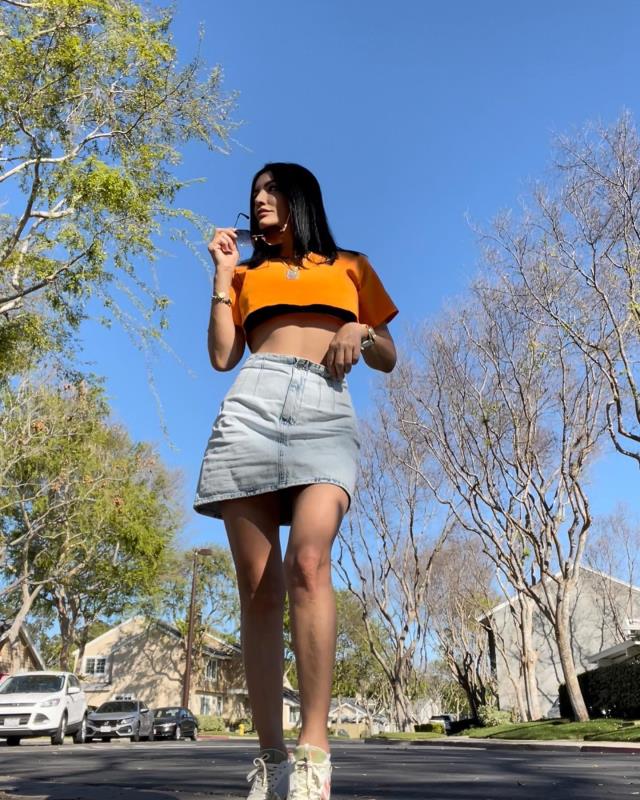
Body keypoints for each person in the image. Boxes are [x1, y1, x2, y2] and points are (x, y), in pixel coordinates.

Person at [194, 163, 398, 800]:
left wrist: (361, 330)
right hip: (251, 407)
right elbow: (222, 356)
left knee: (309, 561)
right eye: (254, 191)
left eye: (271, 188)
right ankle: (270, 758)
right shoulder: (246, 274)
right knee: (259, 588)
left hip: (324, 408)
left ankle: (314, 751)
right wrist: (223, 276)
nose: (259, 198)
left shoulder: (351, 265)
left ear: (299, 197)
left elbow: (388, 357)